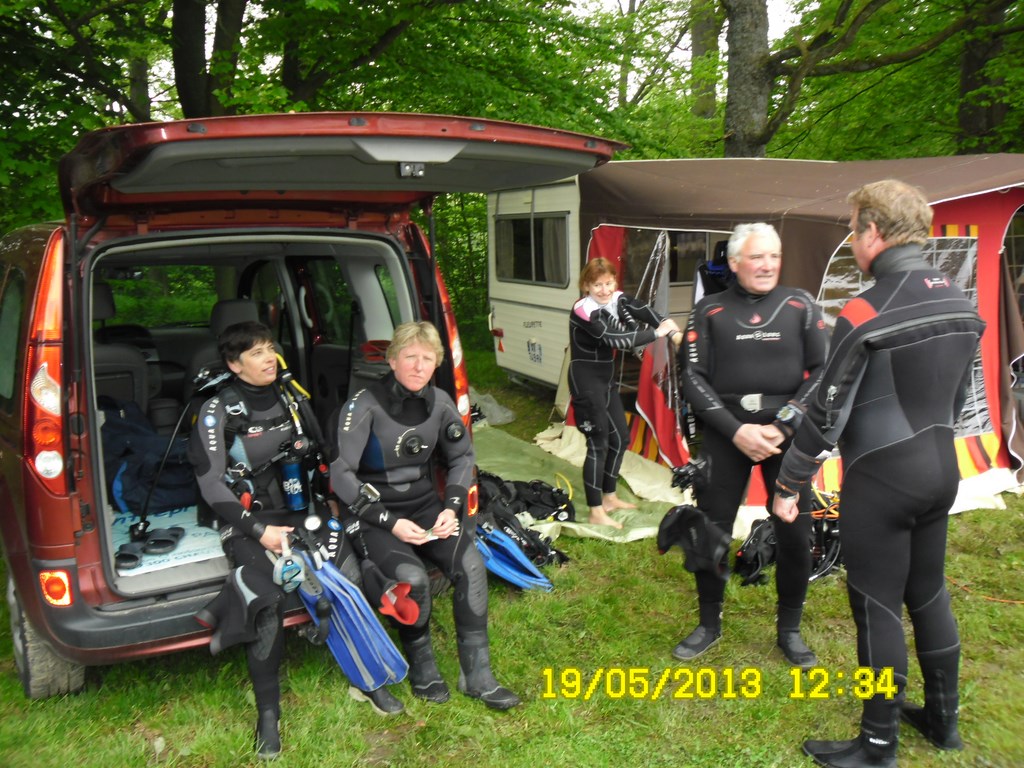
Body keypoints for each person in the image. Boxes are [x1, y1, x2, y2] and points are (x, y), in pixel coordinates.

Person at [774, 180, 984, 768]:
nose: (851, 238)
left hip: (882, 478)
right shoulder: (961, 300)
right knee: (929, 591)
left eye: (852, 228)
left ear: (872, 231)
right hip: (943, 470)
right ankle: (943, 723)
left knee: (877, 604)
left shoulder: (866, 309)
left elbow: (827, 412)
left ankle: (876, 744)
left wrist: (789, 484)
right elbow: (965, 398)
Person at [190, 321, 386, 761]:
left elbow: (323, 452)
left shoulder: (290, 395)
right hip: (247, 518)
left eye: (269, 349)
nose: (267, 359)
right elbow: (211, 485)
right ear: (233, 364)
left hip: (301, 506)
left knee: (349, 576)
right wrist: (259, 532)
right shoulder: (216, 411)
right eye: (255, 353)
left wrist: (335, 503)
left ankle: (368, 676)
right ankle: (267, 714)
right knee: (266, 602)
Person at [329, 321, 521, 711]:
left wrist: (451, 508)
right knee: (412, 580)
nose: (419, 366)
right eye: (410, 357)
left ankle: (477, 675)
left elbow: (463, 457)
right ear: (392, 359)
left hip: (423, 507)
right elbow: (340, 475)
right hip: (372, 514)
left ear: (436, 363)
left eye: (428, 358)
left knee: (470, 565)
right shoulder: (363, 405)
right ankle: (423, 666)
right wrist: (389, 522)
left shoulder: (441, 403)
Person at [678, 222, 828, 665]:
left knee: (795, 530)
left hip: (787, 435)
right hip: (727, 435)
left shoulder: (800, 304)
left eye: (774, 257)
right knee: (711, 529)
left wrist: (783, 425)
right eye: (757, 257)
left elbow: (822, 372)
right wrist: (736, 430)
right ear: (734, 261)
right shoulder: (709, 310)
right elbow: (692, 378)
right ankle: (709, 623)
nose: (767, 265)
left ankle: (790, 629)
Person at [568, 257, 682, 528]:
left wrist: (669, 325)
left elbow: (645, 311)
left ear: (615, 282)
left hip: (606, 382)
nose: (605, 290)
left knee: (621, 438)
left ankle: (609, 496)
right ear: (586, 285)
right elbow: (613, 339)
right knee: (597, 445)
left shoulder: (617, 299)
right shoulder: (583, 310)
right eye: (598, 285)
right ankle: (596, 511)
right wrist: (657, 334)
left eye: (608, 283)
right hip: (586, 383)